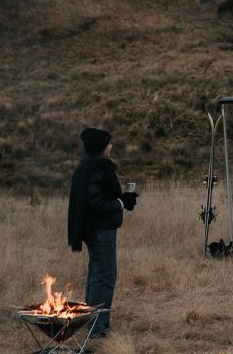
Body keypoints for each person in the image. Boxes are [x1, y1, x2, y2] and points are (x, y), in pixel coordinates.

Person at [68, 128, 137, 338]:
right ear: (101, 147)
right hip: (100, 230)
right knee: (104, 277)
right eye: (108, 143)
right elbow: (95, 203)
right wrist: (120, 202)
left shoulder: (91, 167)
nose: (111, 146)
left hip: (96, 229)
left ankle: (91, 322)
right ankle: (97, 329)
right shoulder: (96, 169)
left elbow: (98, 198)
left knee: (97, 275)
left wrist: (122, 200)